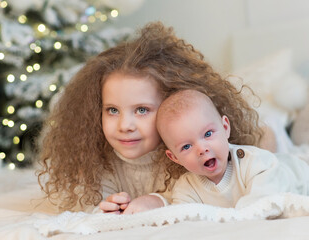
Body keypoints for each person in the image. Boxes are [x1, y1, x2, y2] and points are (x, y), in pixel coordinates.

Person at [37, 21, 265, 214]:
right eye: (112, 110)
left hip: (260, 142)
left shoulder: (196, 151)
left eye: (142, 110)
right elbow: (88, 207)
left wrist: (155, 201)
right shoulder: (98, 161)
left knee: (266, 138)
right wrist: (104, 208)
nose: (125, 126)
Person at [156, 89, 309, 209]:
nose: (202, 149)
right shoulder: (186, 188)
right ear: (174, 157)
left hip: (300, 175)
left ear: (225, 128)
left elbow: (264, 203)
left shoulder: (255, 163)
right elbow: (182, 218)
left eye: (208, 134)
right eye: (187, 146)